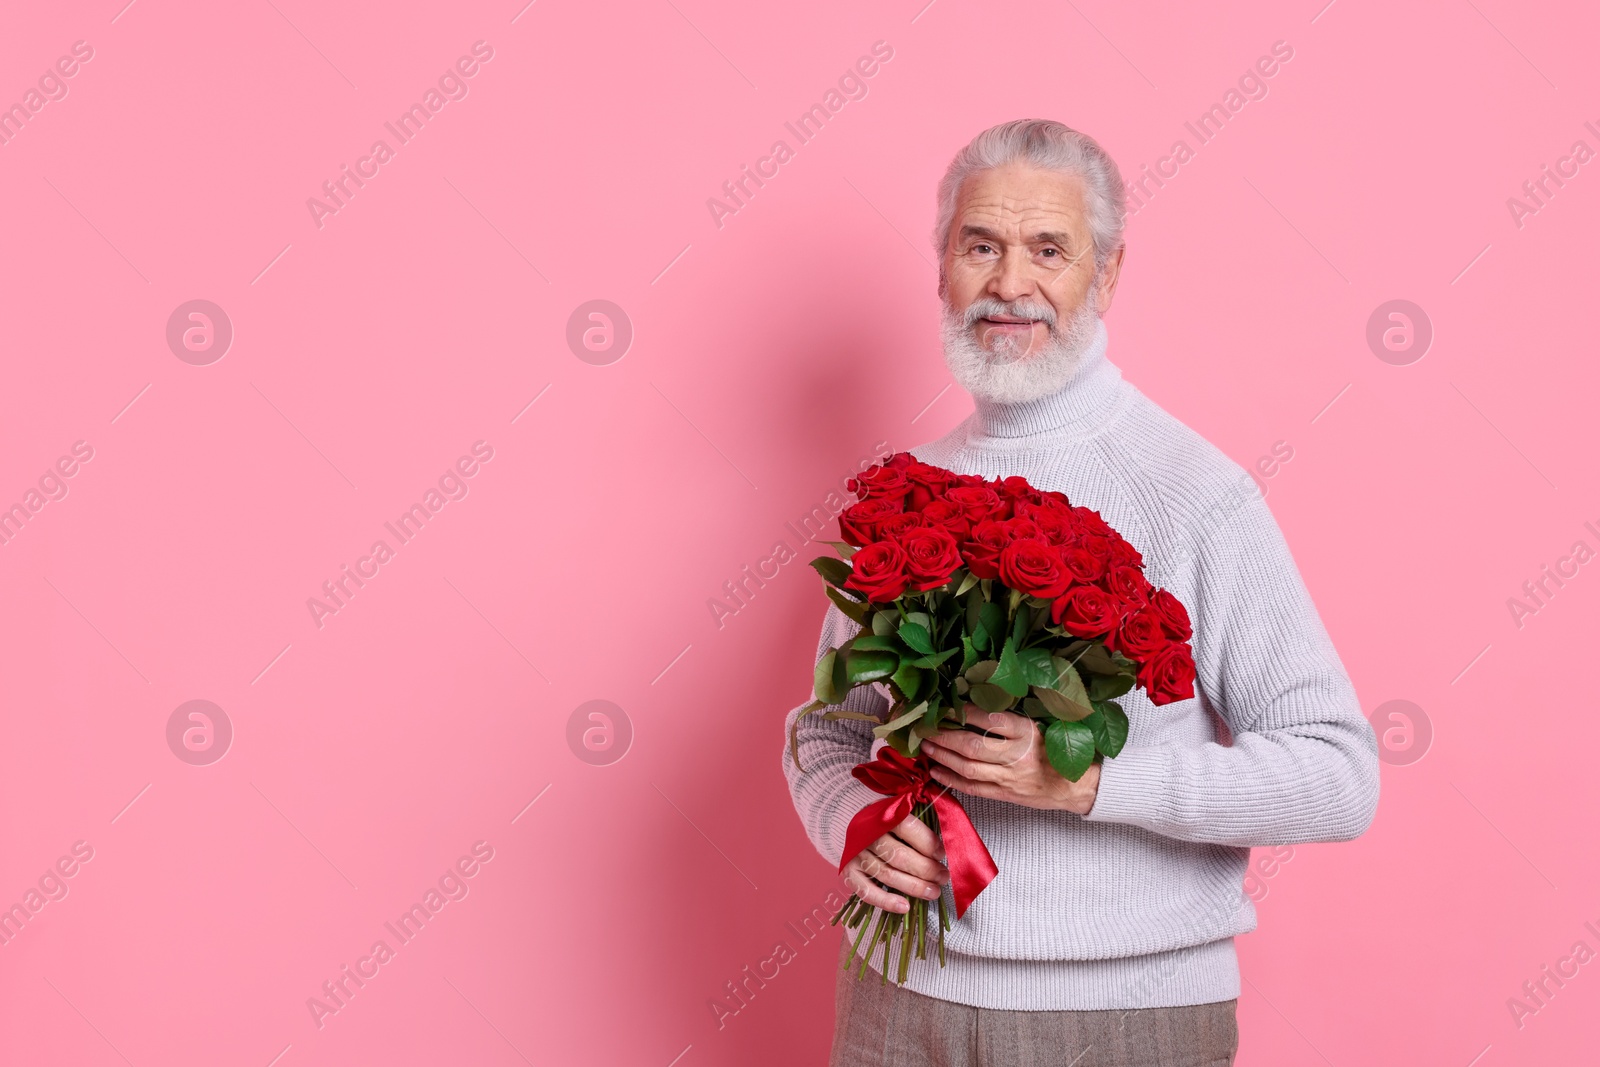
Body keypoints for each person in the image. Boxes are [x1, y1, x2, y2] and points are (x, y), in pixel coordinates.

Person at [781, 118, 1379, 1067]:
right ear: (942, 268)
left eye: (1048, 250)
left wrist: (1093, 781)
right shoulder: (908, 495)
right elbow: (829, 732)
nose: (1010, 284)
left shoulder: (1196, 492)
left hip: (1127, 1019)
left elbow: (1338, 775)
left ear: (1106, 275)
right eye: (981, 245)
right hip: (899, 1002)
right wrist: (851, 827)